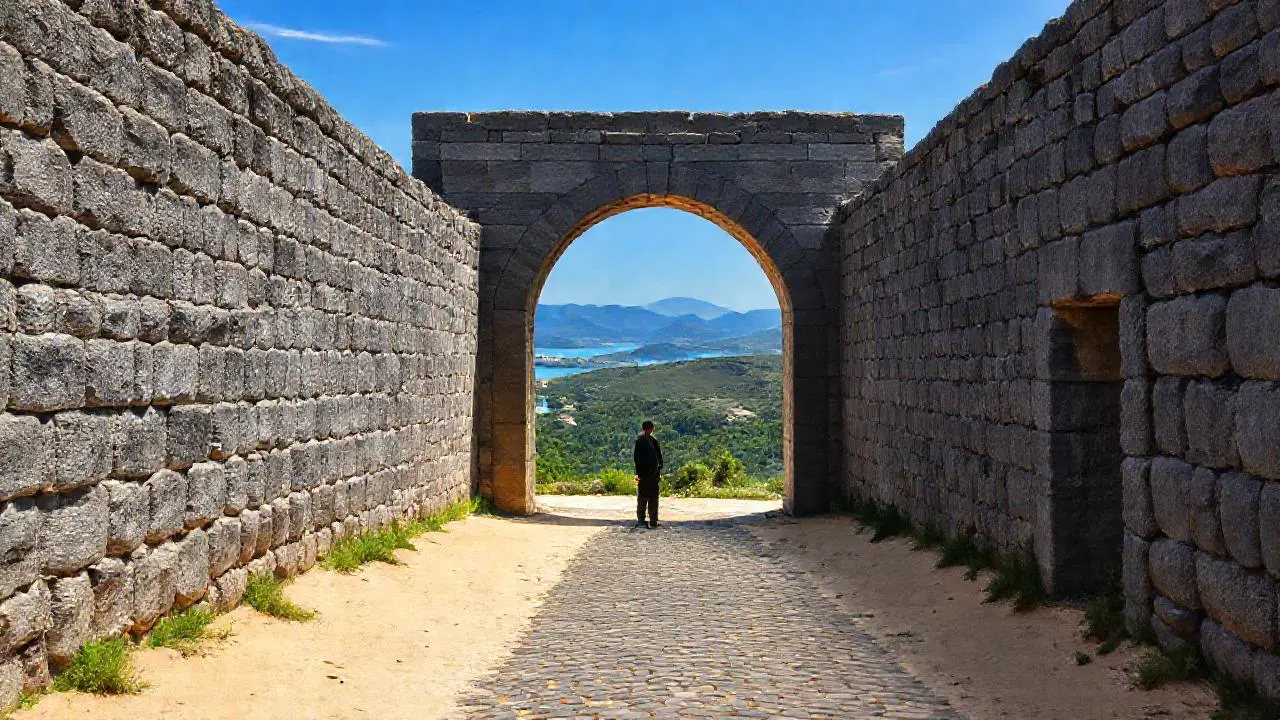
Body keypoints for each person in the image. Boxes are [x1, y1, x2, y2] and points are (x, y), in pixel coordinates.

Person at [633, 420, 663, 528]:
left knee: (645, 497)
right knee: (649, 498)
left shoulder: (644, 440)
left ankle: (646, 520)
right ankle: (650, 520)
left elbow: (637, 458)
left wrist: (638, 473)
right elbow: (658, 457)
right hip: (649, 474)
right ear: (651, 428)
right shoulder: (646, 440)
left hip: (647, 473)